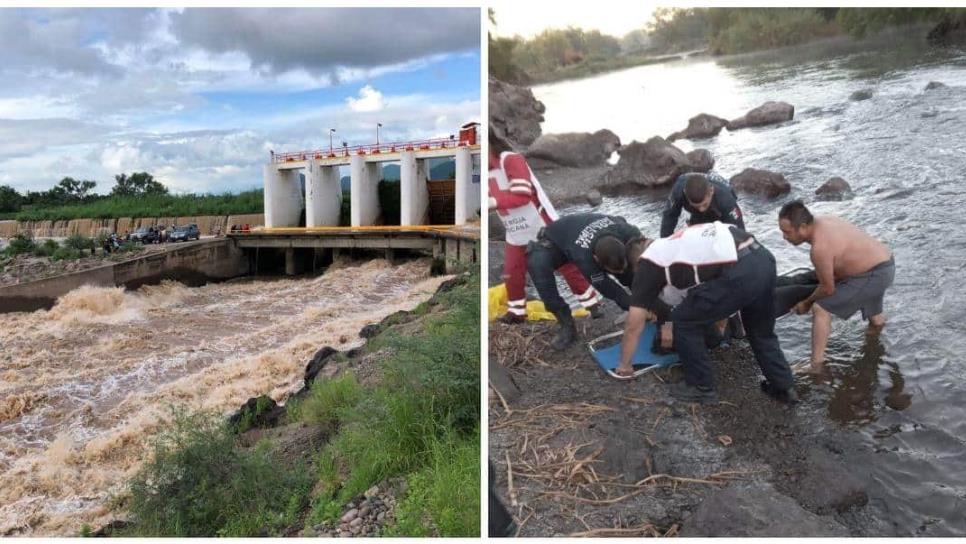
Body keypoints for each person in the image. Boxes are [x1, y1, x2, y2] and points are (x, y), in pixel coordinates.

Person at [618, 221, 797, 404]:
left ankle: (701, 387)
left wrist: (624, 365)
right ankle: (783, 387)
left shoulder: (649, 263)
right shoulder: (676, 242)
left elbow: (634, 324)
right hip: (762, 258)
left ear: (637, 264)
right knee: (761, 331)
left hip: (738, 272)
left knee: (682, 321)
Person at [488, 126, 601, 323]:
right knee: (512, 271)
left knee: (566, 267)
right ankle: (516, 312)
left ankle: (592, 304)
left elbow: (523, 196)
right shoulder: (485, 171)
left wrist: (493, 203)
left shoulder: (511, 159)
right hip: (515, 230)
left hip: (541, 224)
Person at [777, 200, 895, 374]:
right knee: (875, 320)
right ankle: (877, 340)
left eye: (787, 232)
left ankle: (815, 365)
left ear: (802, 227)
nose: (784, 237)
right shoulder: (825, 220)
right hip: (884, 263)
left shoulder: (819, 248)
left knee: (821, 308)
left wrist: (806, 303)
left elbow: (828, 289)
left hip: (873, 274)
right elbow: (842, 257)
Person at [527, 213, 646, 350]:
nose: (618, 273)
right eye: (613, 271)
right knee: (536, 263)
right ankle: (567, 326)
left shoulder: (628, 231)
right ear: (595, 259)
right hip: (556, 243)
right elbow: (610, 289)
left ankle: (645, 304)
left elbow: (647, 264)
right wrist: (633, 308)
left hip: (594, 234)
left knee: (632, 272)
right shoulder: (585, 259)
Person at [660, 172, 744, 238]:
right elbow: (669, 217)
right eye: (697, 206)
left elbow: (740, 230)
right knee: (698, 232)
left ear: (711, 191)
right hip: (695, 213)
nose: (701, 209)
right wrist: (666, 243)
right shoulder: (678, 191)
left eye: (704, 204)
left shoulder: (726, 199)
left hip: (717, 208)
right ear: (685, 193)